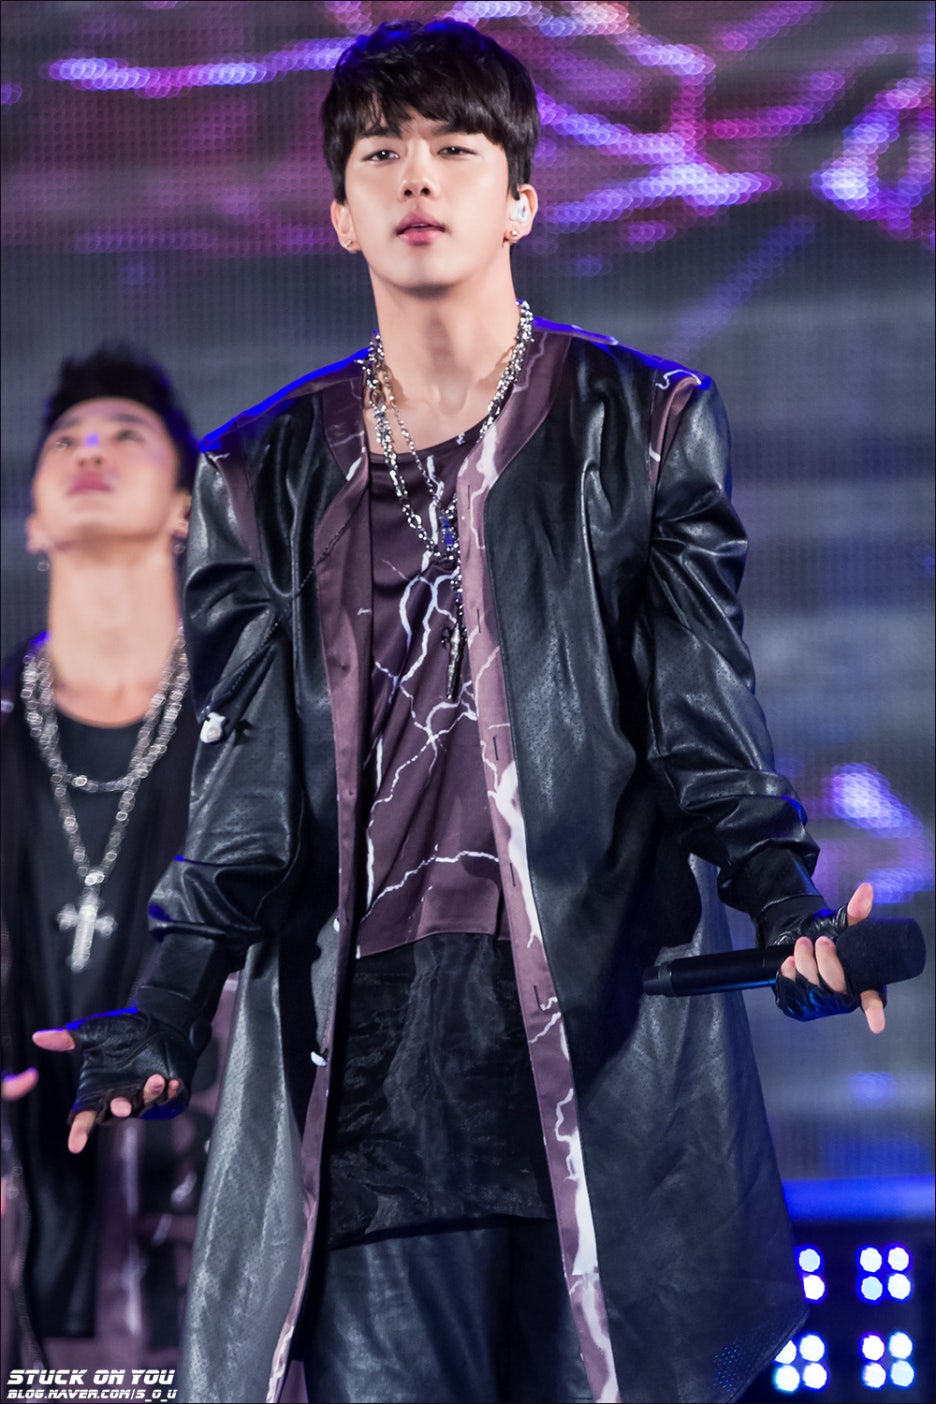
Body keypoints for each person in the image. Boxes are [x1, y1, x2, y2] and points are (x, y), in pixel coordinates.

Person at [35, 21, 887, 1404]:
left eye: (455, 148)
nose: (418, 177)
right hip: (373, 1074)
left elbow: (705, 727)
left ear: (521, 200)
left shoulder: (643, 426)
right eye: (382, 154)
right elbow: (250, 800)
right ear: (340, 212)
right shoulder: (257, 477)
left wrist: (788, 906)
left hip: (590, 1048)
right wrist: (173, 1007)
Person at [0, 347, 232, 1391]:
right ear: (33, 524)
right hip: (22, 1233)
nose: (90, 451)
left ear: (184, 510)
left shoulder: (251, 726)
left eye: (124, 436)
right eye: (67, 441)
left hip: (209, 1234)